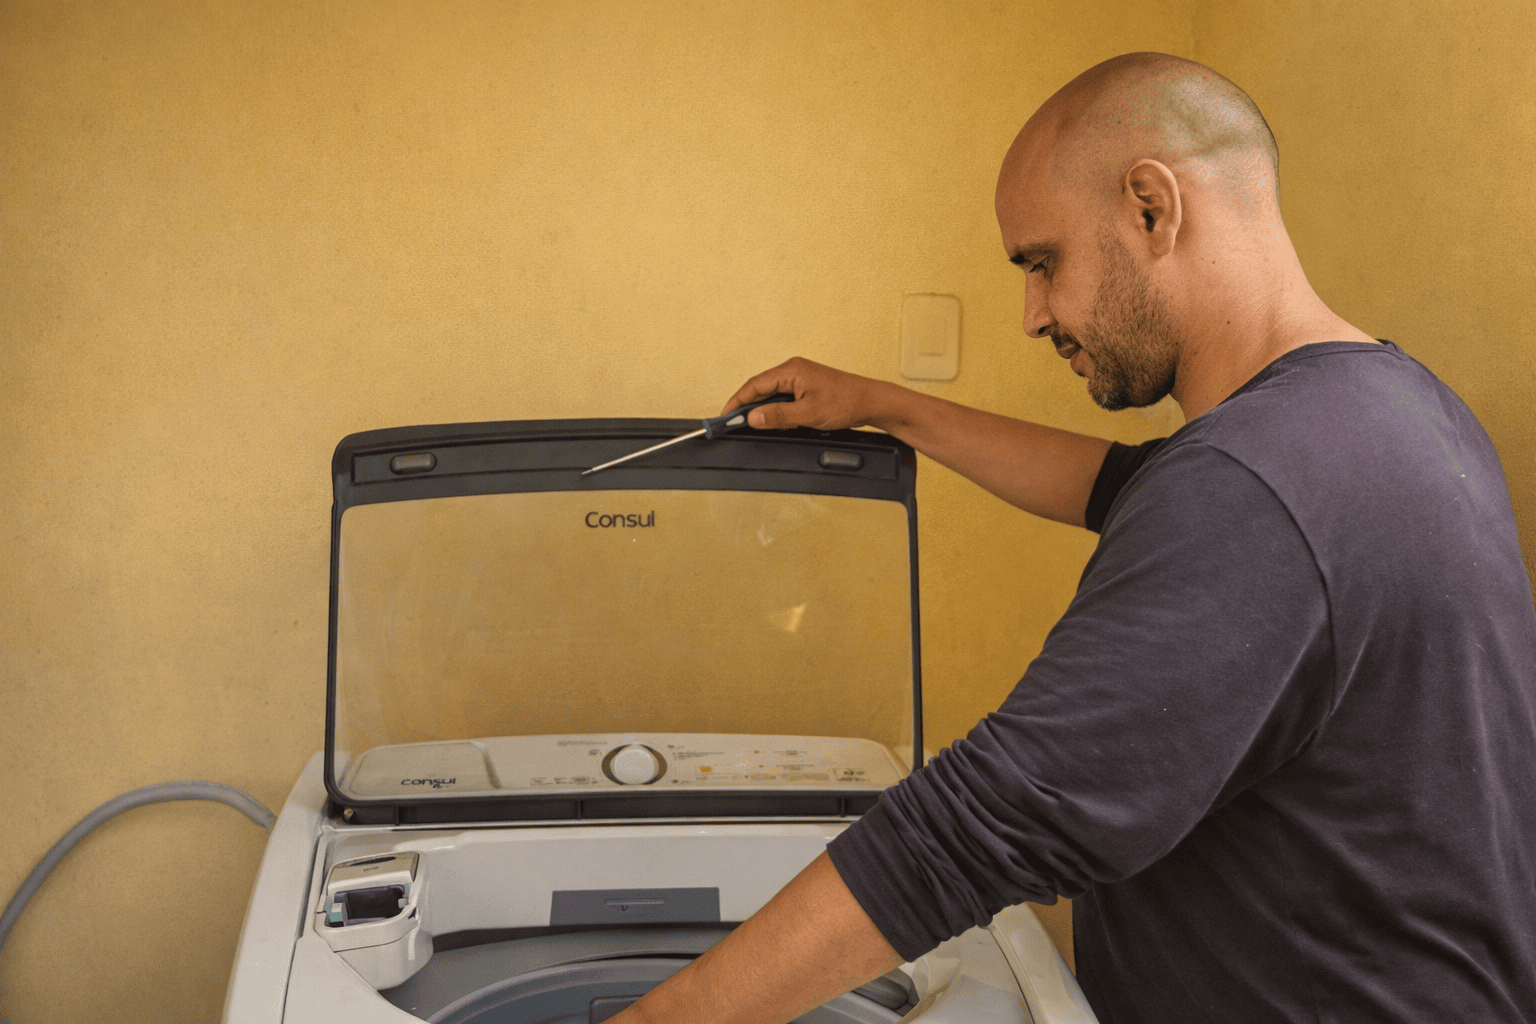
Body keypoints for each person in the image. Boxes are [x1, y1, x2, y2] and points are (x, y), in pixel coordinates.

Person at [609, 52, 1536, 1024]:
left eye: (1043, 262)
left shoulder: (1252, 485)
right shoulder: (1382, 409)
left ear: (1150, 207)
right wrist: (883, 405)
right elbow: (1122, 485)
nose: (1031, 313)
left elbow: (985, 822)